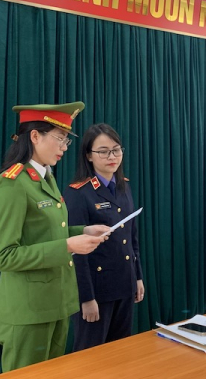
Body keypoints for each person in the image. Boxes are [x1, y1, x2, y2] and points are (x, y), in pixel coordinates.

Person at [0, 101, 109, 372]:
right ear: (34, 136)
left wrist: (83, 231)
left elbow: (47, 233)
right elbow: (4, 256)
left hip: (56, 304)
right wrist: (68, 245)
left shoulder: (45, 178)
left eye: (67, 140)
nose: (65, 147)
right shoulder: (11, 185)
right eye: (60, 138)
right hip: (29, 312)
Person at [63, 123, 144, 351]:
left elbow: (131, 238)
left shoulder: (123, 186)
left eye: (116, 150)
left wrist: (137, 277)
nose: (112, 157)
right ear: (89, 155)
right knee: (90, 355)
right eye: (103, 151)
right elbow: (77, 252)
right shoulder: (78, 193)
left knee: (120, 353)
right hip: (97, 290)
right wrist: (86, 297)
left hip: (124, 284)